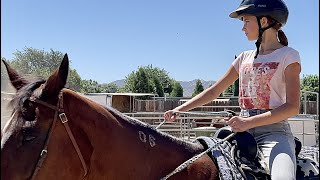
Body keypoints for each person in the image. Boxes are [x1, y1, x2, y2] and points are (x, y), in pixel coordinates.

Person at [164, 0, 300, 179]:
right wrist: (179, 109)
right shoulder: (244, 57)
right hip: (239, 131)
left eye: (246, 21)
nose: (243, 28)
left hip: (274, 134)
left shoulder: (288, 56)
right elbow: (214, 91)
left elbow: (292, 107)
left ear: (264, 22)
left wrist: (248, 123)